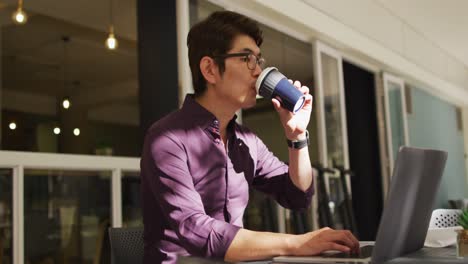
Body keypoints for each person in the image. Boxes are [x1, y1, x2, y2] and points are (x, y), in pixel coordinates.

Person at [140, 10, 359, 263]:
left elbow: (298, 196)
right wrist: (296, 243)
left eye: (259, 60)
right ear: (210, 69)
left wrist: (297, 136)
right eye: (247, 59)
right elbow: (198, 231)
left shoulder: (247, 141)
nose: (258, 72)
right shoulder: (167, 139)